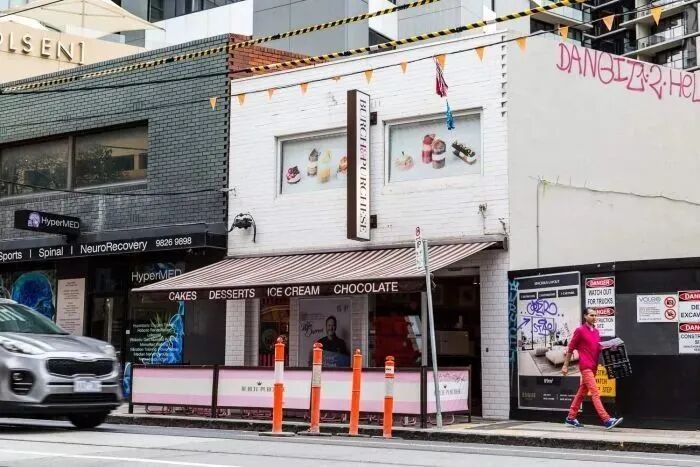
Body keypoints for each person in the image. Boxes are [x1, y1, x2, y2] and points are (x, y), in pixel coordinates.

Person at [562, 308, 623, 429]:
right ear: (585, 316)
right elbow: (571, 348)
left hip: (594, 366)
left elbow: (597, 348)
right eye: (591, 315)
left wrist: (610, 347)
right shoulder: (580, 330)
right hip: (585, 367)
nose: (594, 317)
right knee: (595, 392)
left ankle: (570, 418)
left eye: (595, 315)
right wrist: (565, 365)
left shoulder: (596, 332)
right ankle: (606, 420)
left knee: (581, 393)